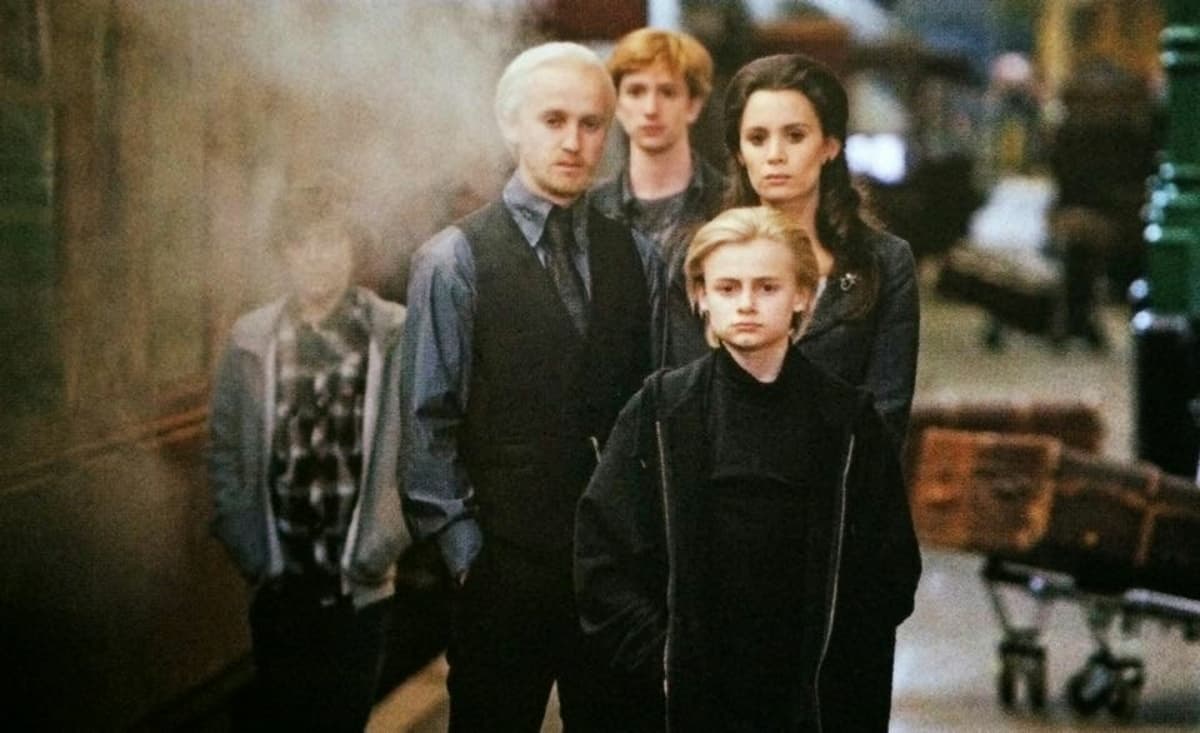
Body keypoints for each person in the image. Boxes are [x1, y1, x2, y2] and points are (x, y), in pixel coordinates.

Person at [575, 206, 921, 732]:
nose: (746, 304)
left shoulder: (849, 423)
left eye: (767, 287)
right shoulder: (660, 412)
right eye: (727, 287)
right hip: (687, 700)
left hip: (809, 703)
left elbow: (889, 569)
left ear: (803, 295)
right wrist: (663, 658)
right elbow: (602, 557)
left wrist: (835, 666)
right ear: (700, 297)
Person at [402, 42, 657, 731]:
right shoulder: (453, 261)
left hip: (615, 576)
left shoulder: (637, 255)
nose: (574, 141)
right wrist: (467, 559)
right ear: (510, 125)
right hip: (503, 572)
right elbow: (428, 423)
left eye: (591, 123)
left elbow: (654, 407)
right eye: (553, 120)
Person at [207, 173, 409, 732]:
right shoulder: (250, 341)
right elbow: (224, 447)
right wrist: (251, 550)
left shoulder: (395, 335)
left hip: (360, 587)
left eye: (331, 240)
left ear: (352, 247)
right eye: (303, 243)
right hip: (280, 585)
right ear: (285, 253)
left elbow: (422, 449)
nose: (318, 257)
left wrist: (384, 545)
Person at [723, 53, 919, 444]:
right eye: (757, 138)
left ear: (829, 145)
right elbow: (685, 403)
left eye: (795, 136)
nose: (775, 155)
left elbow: (886, 415)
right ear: (740, 153)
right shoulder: (705, 260)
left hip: (841, 475)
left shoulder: (883, 263)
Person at [591, 27, 725, 366]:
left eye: (667, 91)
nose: (651, 108)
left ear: (693, 105)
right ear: (617, 104)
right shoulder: (587, 213)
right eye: (636, 91)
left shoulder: (733, 205)